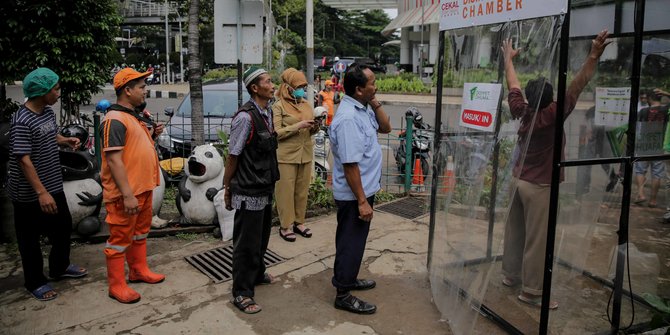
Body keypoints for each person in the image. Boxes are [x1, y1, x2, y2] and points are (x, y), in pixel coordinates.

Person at [501, 30, 611, 309]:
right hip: (539, 187)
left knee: (515, 232)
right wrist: (594, 55)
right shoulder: (551, 115)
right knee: (537, 241)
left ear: (529, 97)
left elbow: (513, 84)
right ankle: (532, 292)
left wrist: (508, 60)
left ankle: (510, 276)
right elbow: (577, 85)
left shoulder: (521, 109)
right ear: (550, 100)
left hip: (518, 181)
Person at [7, 67, 87, 301]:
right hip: (29, 193)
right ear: (42, 92)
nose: (58, 92)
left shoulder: (48, 112)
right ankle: (34, 282)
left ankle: (59, 267)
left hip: (52, 185)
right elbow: (24, 159)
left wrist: (64, 140)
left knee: (62, 227)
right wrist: (41, 193)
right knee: (30, 240)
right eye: (55, 88)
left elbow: (49, 134)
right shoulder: (22, 120)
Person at [328, 63, 392, 314]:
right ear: (358, 90)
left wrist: (374, 101)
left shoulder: (362, 108)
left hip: (363, 191)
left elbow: (386, 128)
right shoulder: (348, 119)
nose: (376, 86)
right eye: (372, 84)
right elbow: (350, 164)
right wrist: (362, 201)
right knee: (350, 242)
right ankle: (343, 293)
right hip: (355, 195)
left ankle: (349, 277)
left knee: (356, 240)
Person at [100, 68, 166, 304]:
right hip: (125, 194)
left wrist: (153, 134)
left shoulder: (132, 116)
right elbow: (114, 160)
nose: (144, 90)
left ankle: (138, 270)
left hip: (142, 189)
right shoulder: (114, 120)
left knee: (139, 234)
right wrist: (127, 195)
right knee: (119, 240)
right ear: (127, 90)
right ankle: (116, 285)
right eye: (141, 87)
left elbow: (135, 148)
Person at [223, 66, 280, 314]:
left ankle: (257, 273)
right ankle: (242, 292)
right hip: (247, 190)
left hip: (264, 186)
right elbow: (233, 155)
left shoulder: (267, 113)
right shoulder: (245, 118)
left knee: (262, 237)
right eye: (268, 81)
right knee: (246, 243)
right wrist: (228, 187)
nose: (273, 84)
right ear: (255, 88)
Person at [272, 68, 320, 242]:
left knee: (301, 191)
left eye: (304, 86)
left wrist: (315, 126)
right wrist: (297, 126)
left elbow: (309, 131)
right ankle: (285, 226)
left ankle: (299, 222)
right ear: (288, 87)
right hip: (285, 156)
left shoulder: (306, 104)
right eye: (299, 86)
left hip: (305, 153)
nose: (302, 89)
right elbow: (275, 133)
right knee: (285, 192)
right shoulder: (278, 106)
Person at [633, 90, 668, 207]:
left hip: (644, 144)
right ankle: (653, 200)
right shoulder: (665, 110)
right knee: (657, 173)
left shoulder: (643, 111)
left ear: (649, 99)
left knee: (640, 170)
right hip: (659, 145)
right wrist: (667, 94)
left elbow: (638, 128)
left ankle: (641, 194)